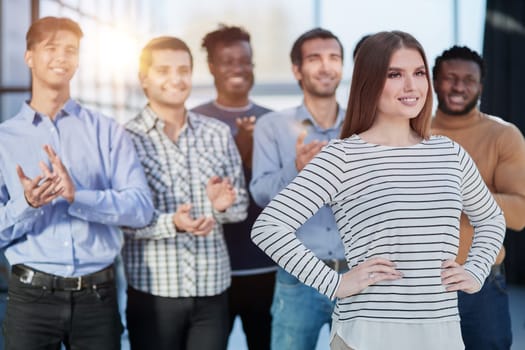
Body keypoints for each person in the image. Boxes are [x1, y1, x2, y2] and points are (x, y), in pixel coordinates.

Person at [251, 30, 506, 350]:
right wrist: (335, 283)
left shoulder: (449, 153)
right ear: (369, 82)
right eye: (395, 74)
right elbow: (269, 227)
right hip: (366, 336)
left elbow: (491, 220)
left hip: (440, 335)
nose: (411, 86)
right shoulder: (342, 156)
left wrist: (476, 270)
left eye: (419, 73)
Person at [0, 16, 154, 350]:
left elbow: (141, 209)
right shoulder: (4, 139)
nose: (62, 57)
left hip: (97, 300)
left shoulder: (107, 130)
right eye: (51, 48)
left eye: (71, 49)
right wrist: (25, 205)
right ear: (29, 57)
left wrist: (78, 197)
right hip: (30, 301)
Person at [122, 36, 248, 350]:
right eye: (163, 70)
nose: (176, 79)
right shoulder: (125, 139)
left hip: (211, 289)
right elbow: (121, 219)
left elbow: (241, 205)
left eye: (183, 70)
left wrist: (221, 208)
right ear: (144, 79)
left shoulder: (216, 133)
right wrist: (172, 224)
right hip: (153, 293)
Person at [250, 27, 347, 350]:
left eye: (334, 58)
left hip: (357, 278)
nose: (325, 66)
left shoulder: (362, 126)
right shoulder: (272, 127)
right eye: (314, 58)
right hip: (298, 277)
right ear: (297, 70)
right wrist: (296, 169)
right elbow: (261, 193)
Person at [431, 45, 525, 350]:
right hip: (420, 285)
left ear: (480, 87)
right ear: (434, 82)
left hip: (482, 283)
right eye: (450, 78)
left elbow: (520, 214)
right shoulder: (410, 133)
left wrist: (461, 191)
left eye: (468, 80)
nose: (459, 86)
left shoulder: (504, 135)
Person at [191, 24, 275, 350]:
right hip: (213, 270)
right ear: (211, 67)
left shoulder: (274, 122)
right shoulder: (195, 122)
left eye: (245, 60)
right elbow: (194, 192)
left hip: (267, 266)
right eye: (228, 61)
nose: (238, 68)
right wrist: (239, 153)